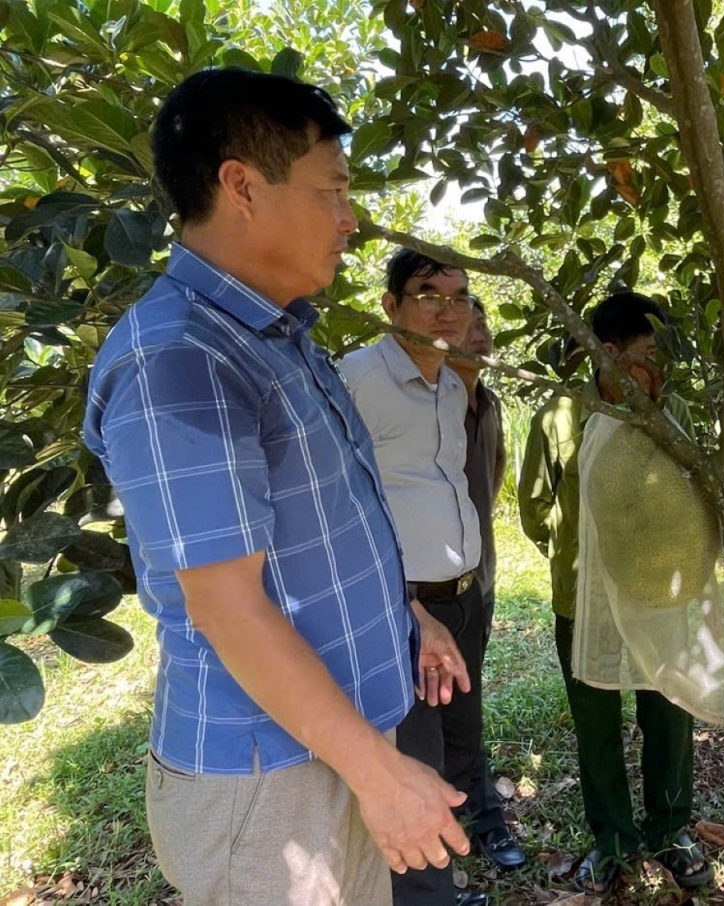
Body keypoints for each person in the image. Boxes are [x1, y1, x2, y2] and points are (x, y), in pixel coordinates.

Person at [82, 68, 471, 906]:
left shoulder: (278, 333)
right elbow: (229, 606)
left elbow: (328, 524)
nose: (350, 219)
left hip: (339, 744)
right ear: (241, 186)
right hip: (271, 783)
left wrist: (409, 615)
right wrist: (381, 777)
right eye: (332, 189)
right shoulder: (179, 359)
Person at [518, 292, 712, 896]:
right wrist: (580, 554)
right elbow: (534, 505)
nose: (662, 365)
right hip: (583, 601)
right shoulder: (560, 415)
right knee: (595, 726)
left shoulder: (676, 410)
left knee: (669, 714)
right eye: (651, 351)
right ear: (608, 352)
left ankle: (671, 830)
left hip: (660, 594)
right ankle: (612, 838)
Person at [339, 251, 489, 906]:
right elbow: (336, 510)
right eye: (428, 293)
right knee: (413, 765)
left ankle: (446, 881)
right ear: (391, 306)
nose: (447, 310)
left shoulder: (452, 386)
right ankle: (424, 895)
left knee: (458, 741)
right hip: (401, 615)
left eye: (459, 296)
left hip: (461, 600)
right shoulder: (356, 380)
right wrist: (404, 607)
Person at [445, 299, 527, 872]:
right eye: (464, 325)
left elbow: (494, 467)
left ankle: (479, 817)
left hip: (482, 576)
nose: (478, 335)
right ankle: (463, 822)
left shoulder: (489, 403)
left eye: (483, 325)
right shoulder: (429, 405)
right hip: (429, 588)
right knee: (441, 709)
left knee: (468, 701)